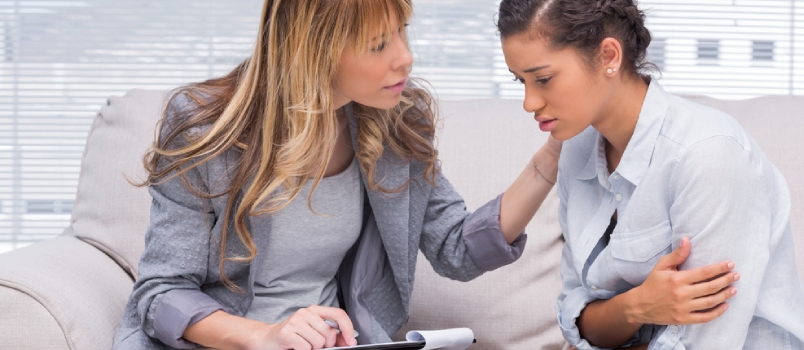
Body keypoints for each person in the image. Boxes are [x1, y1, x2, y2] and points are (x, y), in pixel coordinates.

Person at [113, 1, 565, 349]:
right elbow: (160, 294)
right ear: (315, 48)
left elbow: (456, 248)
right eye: (378, 44)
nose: (405, 58)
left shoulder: (396, 124)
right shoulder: (207, 130)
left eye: (402, 32)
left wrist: (551, 158)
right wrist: (263, 337)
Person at [497, 0, 804, 348]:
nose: (529, 102)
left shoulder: (707, 154)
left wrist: (616, 316)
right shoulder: (576, 147)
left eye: (543, 79)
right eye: (520, 80)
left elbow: (708, 340)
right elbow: (578, 318)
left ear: (609, 56)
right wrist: (635, 306)